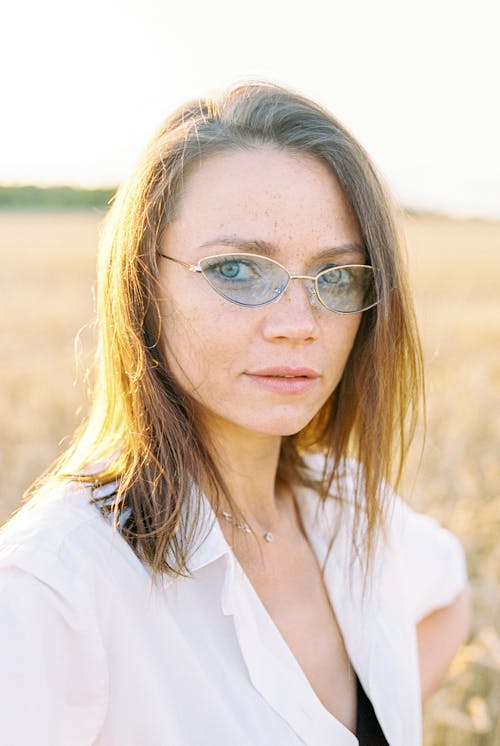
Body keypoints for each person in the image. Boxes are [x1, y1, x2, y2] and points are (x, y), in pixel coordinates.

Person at [0, 81, 471, 745]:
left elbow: (449, 595)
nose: (299, 324)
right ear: (142, 284)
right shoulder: (55, 587)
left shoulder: (352, 507)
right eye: (237, 270)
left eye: (336, 277)